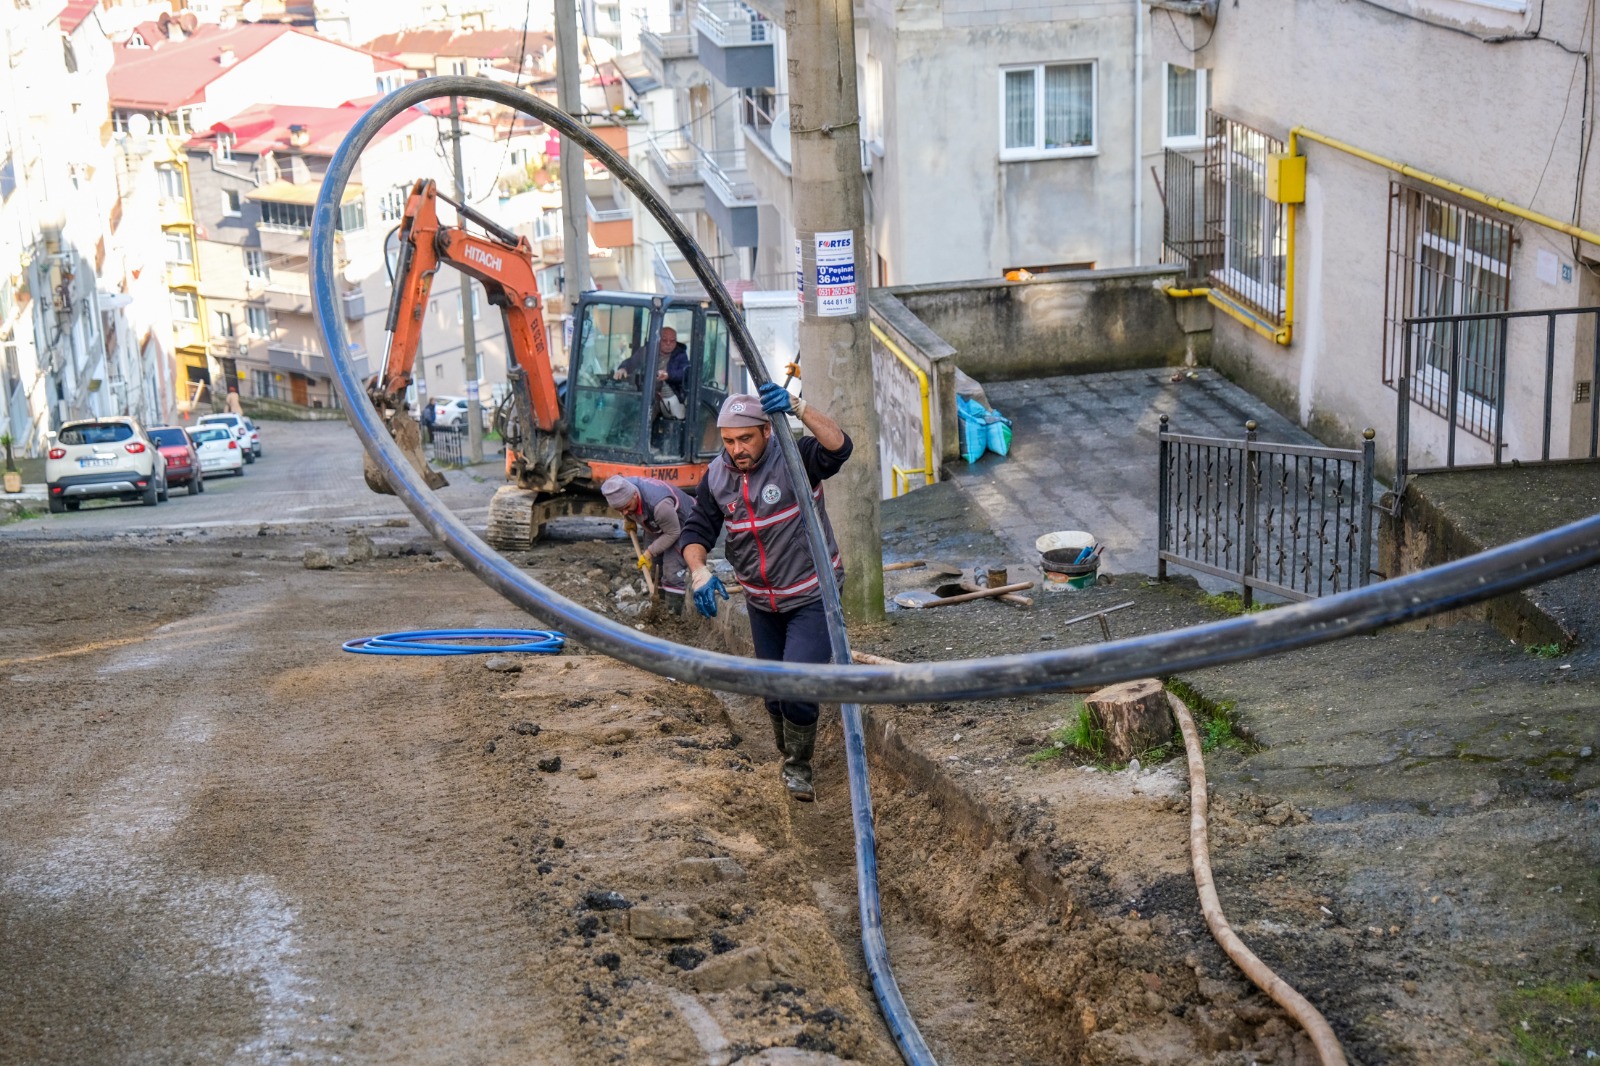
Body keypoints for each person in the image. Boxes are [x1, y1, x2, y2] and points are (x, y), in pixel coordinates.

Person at [679, 383, 852, 802]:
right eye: (728, 441)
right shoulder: (717, 477)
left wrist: (800, 407)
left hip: (812, 593)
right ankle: (787, 748)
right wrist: (699, 569)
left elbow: (839, 448)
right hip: (761, 600)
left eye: (745, 439)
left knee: (796, 683)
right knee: (773, 692)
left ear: (766, 432)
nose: (737, 449)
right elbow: (697, 529)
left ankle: (798, 766)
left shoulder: (794, 458)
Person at [601, 474, 693, 607]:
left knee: (672, 573)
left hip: (684, 524)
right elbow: (626, 509)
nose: (625, 512)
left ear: (634, 495)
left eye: (627, 507)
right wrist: (629, 520)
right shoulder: (623, 487)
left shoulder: (660, 504)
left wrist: (649, 552)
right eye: (620, 510)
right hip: (657, 523)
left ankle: (674, 615)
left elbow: (673, 533)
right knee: (656, 568)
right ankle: (660, 606)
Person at [614, 327, 689, 403]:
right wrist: (623, 368)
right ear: (658, 340)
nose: (668, 343)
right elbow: (632, 362)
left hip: (670, 396)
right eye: (664, 340)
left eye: (672, 340)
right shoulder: (646, 351)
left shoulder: (680, 354)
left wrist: (669, 375)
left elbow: (685, 373)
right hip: (645, 394)